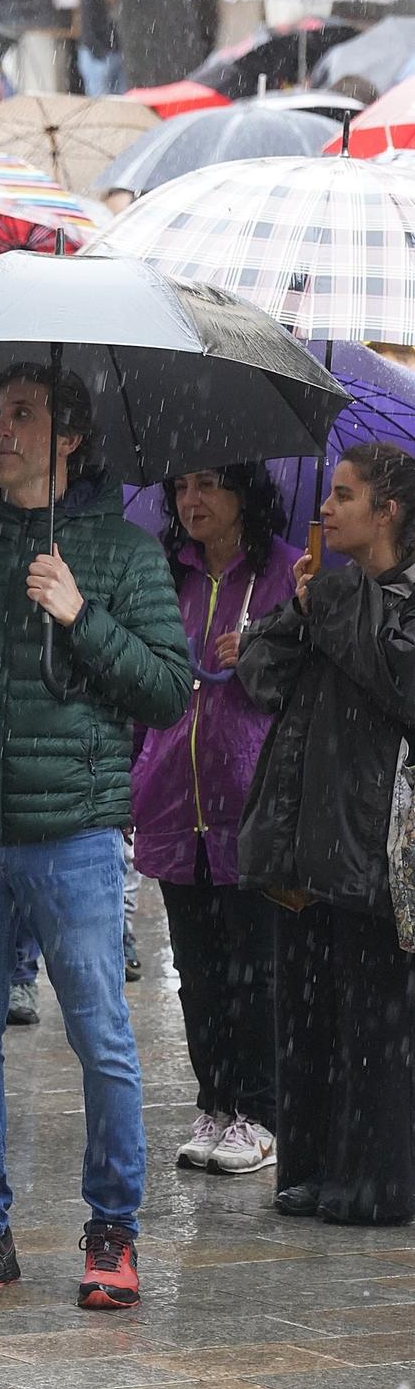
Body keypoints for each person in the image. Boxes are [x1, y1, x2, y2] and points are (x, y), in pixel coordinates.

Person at [0, 364, 190, 1309]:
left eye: (22, 415)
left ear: (70, 436)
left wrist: (82, 614)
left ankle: (114, 1227)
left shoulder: (122, 554)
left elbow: (165, 690)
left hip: (72, 836)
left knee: (103, 1037)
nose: (1, 431)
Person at [239, 444, 415, 1225]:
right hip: (306, 846)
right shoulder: (329, 593)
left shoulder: (398, 600)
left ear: (389, 512)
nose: (326, 509)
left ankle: (374, 1181)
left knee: (374, 1024)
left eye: (345, 497)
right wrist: (301, 611)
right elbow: (259, 673)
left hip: (376, 848)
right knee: (310, 1020)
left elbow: (393, 675)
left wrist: (330, 607)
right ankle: (311, 1165)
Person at [132, 466, 297, 1177]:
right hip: (174, 793)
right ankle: (217, 1100)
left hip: (251, 795)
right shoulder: (170, 576)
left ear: (244, 496)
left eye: (207, 487)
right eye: (181, 489)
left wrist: (264, 651)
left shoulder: (292, 573)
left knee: (254, 967)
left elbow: (308, 679)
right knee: (196, 969)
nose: (190, 502)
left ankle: (260, 1112)